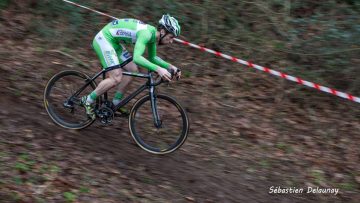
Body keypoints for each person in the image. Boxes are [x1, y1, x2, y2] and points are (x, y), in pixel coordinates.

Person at [81, 14, 182, 119]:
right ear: (162, 32)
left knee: (133, 70)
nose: (171, 41)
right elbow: (137, 58)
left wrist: (171, 66)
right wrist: (159, 69)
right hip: (104, 40)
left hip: (114, 43)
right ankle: (87, 100)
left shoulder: (152, 36)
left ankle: (115, 103)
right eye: (171, 37)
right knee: (116, 77)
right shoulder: (146, 34)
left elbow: (153, 58)